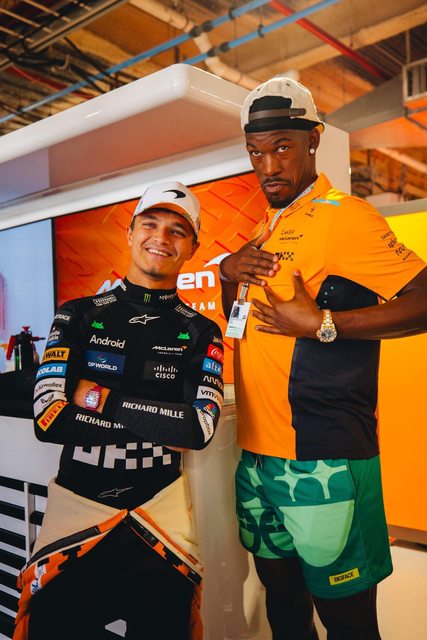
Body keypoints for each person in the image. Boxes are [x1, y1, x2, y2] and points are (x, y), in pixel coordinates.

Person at [219, 77, 427, 640]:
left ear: (314, 140)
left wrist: (325, 324)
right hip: (257, 458)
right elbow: (245, 323)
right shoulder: (268, 225)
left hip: (324, 456)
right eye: (256, 152)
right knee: (284, 612)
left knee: (348, 624)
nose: (268, 167)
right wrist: (227, 271)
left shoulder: (345, 216)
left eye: (282, 147)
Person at [13, 181, 224, 640]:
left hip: (161, 520)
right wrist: (160, 420)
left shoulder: (202, 330)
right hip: (77, 513)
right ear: (129, 233)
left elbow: (198, 429)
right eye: (150, 224)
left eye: (177, 231)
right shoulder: (77, 314)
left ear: (193, 248)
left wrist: (98, 397)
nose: (161, 238)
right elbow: (49, 418)